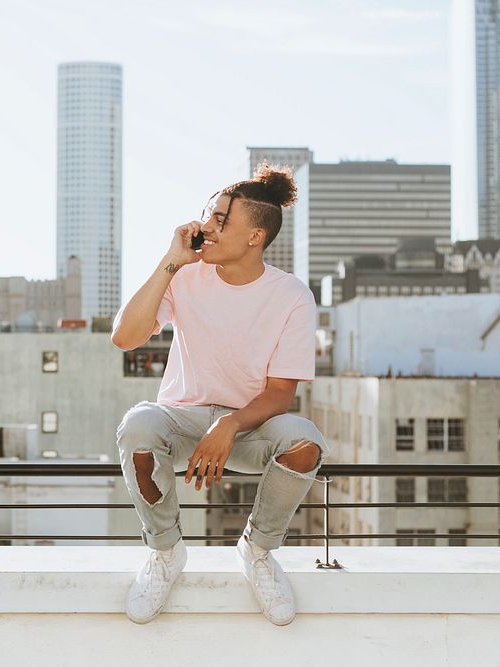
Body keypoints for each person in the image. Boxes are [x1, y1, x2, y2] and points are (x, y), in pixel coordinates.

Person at [111, 163, 330, 626]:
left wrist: (229, 424)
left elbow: (278, 395)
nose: (203, 229)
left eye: (218, 220)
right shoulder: (186, 276)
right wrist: (170, 262)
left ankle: (258, 552)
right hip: (183, 424)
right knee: (138, 425)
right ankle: (165, 553)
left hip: (247, 429)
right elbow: (125, 338)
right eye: (206, 217)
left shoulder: (292, 295)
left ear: (254, 236)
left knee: (306, 441)